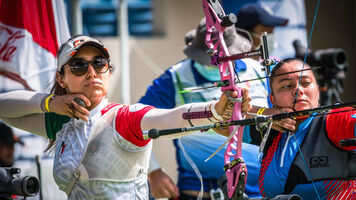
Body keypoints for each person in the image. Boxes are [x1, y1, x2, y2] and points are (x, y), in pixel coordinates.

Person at [0, 35, 252, 199]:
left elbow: (171, 117)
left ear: (108, 71)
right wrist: (50, 103)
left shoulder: (124, 118)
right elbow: (4, 109)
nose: (91, 72)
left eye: (99, 64)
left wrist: (216, 111)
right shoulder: (61, 123)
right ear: (60, 78)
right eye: (79, 66)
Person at [140, 17, 267, 200]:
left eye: (220, 58)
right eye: (208, 58)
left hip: (261, 191)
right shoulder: (175, 78)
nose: (213, 64)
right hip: (201, 191)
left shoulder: (258, 71)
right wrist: (153, 172)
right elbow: (137, 122)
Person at [256, 58, 356, 199]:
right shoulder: (270, 128)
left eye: (306, 83)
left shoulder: (334, 120)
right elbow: (227, 122)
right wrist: (265, 112)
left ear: (317, 89)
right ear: (273, 99)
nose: (298, 90)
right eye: (286, 85)